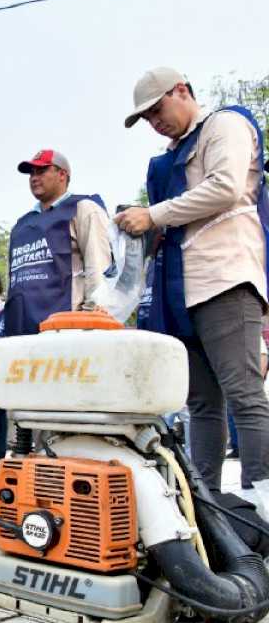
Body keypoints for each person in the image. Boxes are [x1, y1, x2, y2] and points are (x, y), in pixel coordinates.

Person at [115, 67, 269, 500]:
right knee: (201, 404)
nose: (154, 122)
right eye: (145, 118)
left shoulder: (225, 124)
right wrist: (141, 224)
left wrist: (155, 214)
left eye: (156, 109)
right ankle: (206, 502)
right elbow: (167, 219)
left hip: (225, 279)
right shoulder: (169, 156)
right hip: (180, 292)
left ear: (181, 90)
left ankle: (262, 501)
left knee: (244, 394)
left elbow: (225, 186)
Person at [1, 150, 112, 337]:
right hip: (21, 332)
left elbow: (99, 266)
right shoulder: (21, 224)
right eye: (31, 173)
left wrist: (93, 316)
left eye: (42, 171)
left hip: (66, 330)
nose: (34, 178)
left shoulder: (83, 208)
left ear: (62, 175)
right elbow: (12, 281)